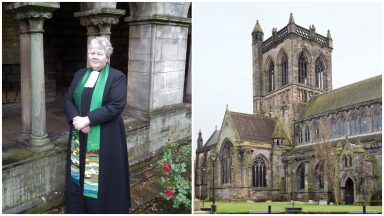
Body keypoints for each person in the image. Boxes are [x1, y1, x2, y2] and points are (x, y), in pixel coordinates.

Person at [64, 37, 131, 213]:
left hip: (106, 137)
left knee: (102, 176)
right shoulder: (80, 74)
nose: (95, 56)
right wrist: (76, 120)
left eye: (99, 53)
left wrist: (88, 119)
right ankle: (80, 208)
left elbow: (116, 105)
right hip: (80, 134)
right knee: (79, 173)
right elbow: (68, 99)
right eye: (92, 53)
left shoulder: (117, 77)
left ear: (107, 57)